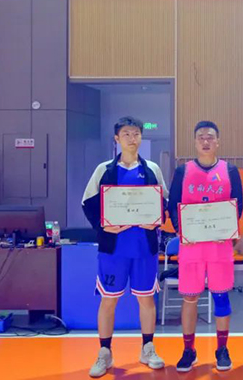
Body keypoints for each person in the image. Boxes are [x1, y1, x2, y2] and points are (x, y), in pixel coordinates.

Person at [82, 116, 168, 378]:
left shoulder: (152, 169)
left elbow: (163, 201)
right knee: (109, 300)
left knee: (146, 299)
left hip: (144, 247)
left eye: (136, 134)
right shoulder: (104, 170)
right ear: (117, 139)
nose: (132, 138)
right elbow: (88, 203)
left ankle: (148, 348)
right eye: (126, 134)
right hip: (113, 249)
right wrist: (102, 225)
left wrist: (156, 220)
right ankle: (105, 352)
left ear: (141, 137)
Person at [166, 121, 243, 372]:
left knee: (221, 296)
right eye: (201, 137)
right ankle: (188, 350)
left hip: (219, 245)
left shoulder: (229, 170)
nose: (206, 141)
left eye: (210, 137)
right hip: (192, 245)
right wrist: (181, 231)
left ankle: (222, 348)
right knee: (190, 297)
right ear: (195, 142)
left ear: (218, 141)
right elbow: (173, 205)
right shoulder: (183, 171)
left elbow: (238, 205)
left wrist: (227, 230)